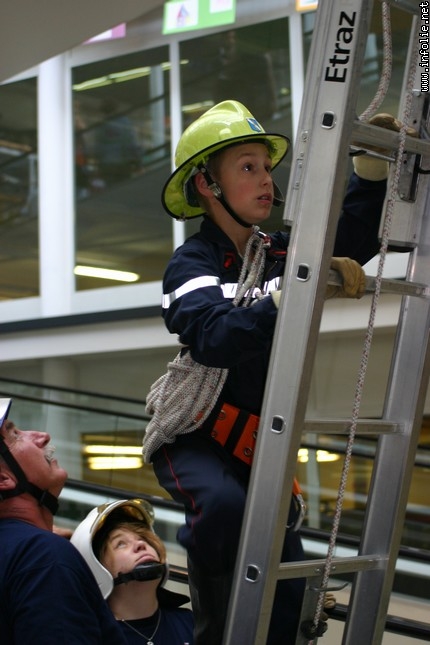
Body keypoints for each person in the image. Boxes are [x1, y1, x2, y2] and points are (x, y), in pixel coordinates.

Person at [142, 100, 395, 644]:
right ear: (207, 185)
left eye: (266, 167)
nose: (265, 180)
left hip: (260, 445)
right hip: (196, 436)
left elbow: (348, 240)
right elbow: (213, 337)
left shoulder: (279, 253)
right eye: (248, 167)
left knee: (284, 575)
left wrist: (370, 174)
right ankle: (214, 631)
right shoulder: (191, 263)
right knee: (224, 508)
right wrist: (288, 295)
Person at [0, 397, 128, 645]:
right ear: (3, 480)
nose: (42, 436)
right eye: (14, 434)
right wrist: (47, 554)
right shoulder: (40, 556)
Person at [71, 498, 194, 645]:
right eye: (121, 544)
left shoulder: (189, 623)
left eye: (143, 538)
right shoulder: (91, 638)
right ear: (96, 569)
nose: (141, 544)